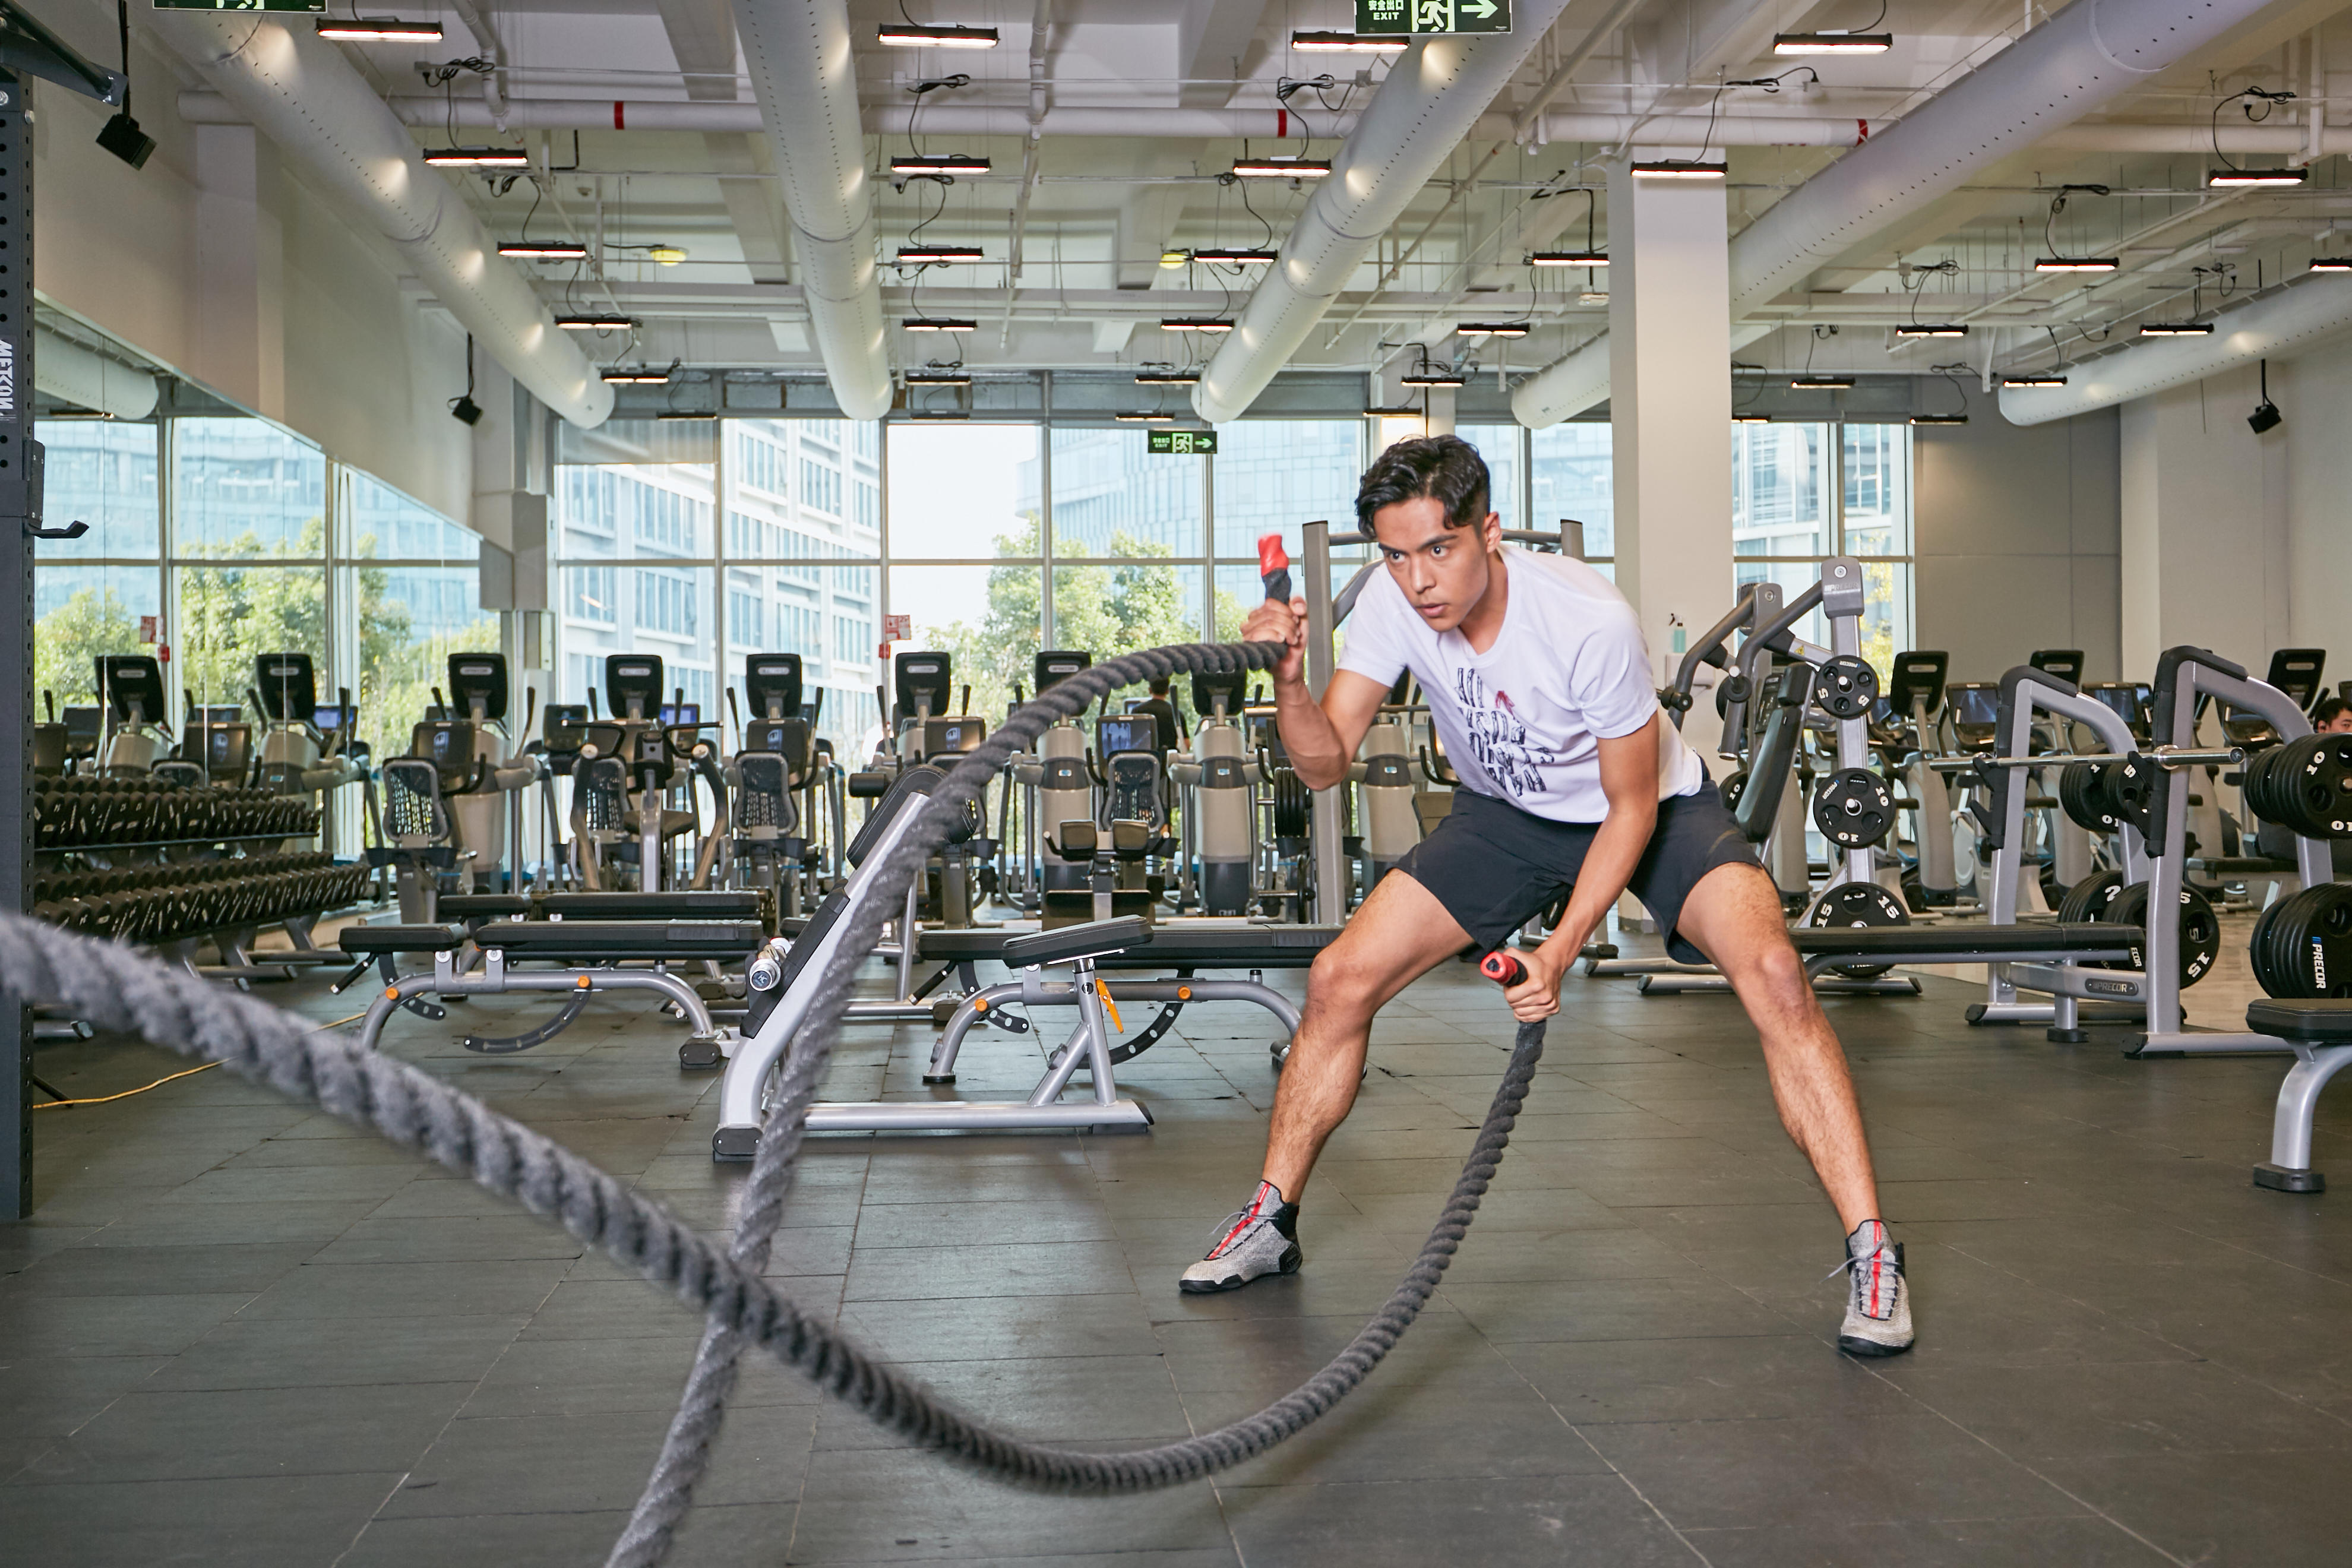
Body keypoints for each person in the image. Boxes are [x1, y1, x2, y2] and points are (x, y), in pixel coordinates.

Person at [1180, 435, 1912, 1358]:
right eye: (1396, 556)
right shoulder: (1389, 608)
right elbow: (1325, 765)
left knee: (1774, 974)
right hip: (1503, 816)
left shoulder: (1585, 619)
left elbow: (1631, 804)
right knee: (1337, 979)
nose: (1418, 581)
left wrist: (1559, 950)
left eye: (1438, 550)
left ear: (1489, 533)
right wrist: (1287, 683)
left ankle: (1873, 1251)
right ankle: (1269, 1223)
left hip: (1652, 810)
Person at [1131, 677, 1186, 772]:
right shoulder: (1176, 713)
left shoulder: (1137, 711)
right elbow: (1186, 744)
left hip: (1144, 764)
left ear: (1150, 690)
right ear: (1168, 691)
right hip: (1168, 766)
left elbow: (1132, 740)